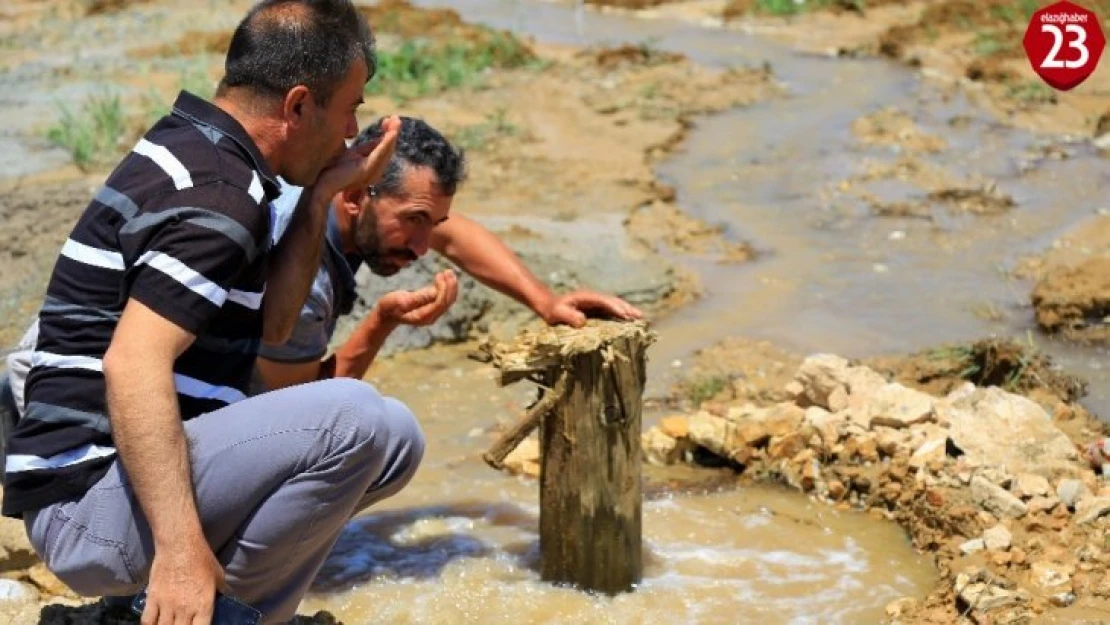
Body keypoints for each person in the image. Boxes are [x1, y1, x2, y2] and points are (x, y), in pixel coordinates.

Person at [0, 2, 418, 623]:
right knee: (353, 419)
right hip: (86, 503)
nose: (351, 129)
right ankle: (208, 610)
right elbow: (133, 363)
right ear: (299, 106)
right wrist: (179, 551)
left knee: (396, 439)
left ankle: (187, 608)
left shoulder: (209, 155)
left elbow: (273, 327)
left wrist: (323, 193)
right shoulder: (218, 195)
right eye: (350, 106)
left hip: (115, 483)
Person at [255, 115, 644, 390]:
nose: (423, 248)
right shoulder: (304, 279)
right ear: (356, 196)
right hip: (216, 430)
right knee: (381, 434)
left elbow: (455, 234)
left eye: (433, 223)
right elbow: (302, 409)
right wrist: (382, 321)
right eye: (415, 220)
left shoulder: (320, 189)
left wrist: (545, 302)